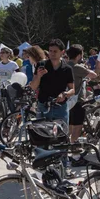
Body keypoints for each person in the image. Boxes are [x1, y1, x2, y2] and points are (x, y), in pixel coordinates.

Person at [29, 39, 75, 177]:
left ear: (62, 52)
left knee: (62, 136)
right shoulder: (42, 65)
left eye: (55, 51)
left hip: (60, 106)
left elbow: (72, 89)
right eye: (50, 51)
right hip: (44, 105)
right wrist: (39, 75)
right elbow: (33, 86)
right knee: (41, 135)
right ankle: (41, 166)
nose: (52, 54)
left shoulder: (67, 68)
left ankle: (64, 165)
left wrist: (65, 94)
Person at [66, 45, 98, 166]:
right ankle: (75, 156)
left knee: (68, 129)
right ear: (79, 55)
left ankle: (64, 154)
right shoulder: (77, 67)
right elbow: (94, 75)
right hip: (77, 101)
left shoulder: (64, 65)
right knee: (76, 129)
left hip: (66, 100)